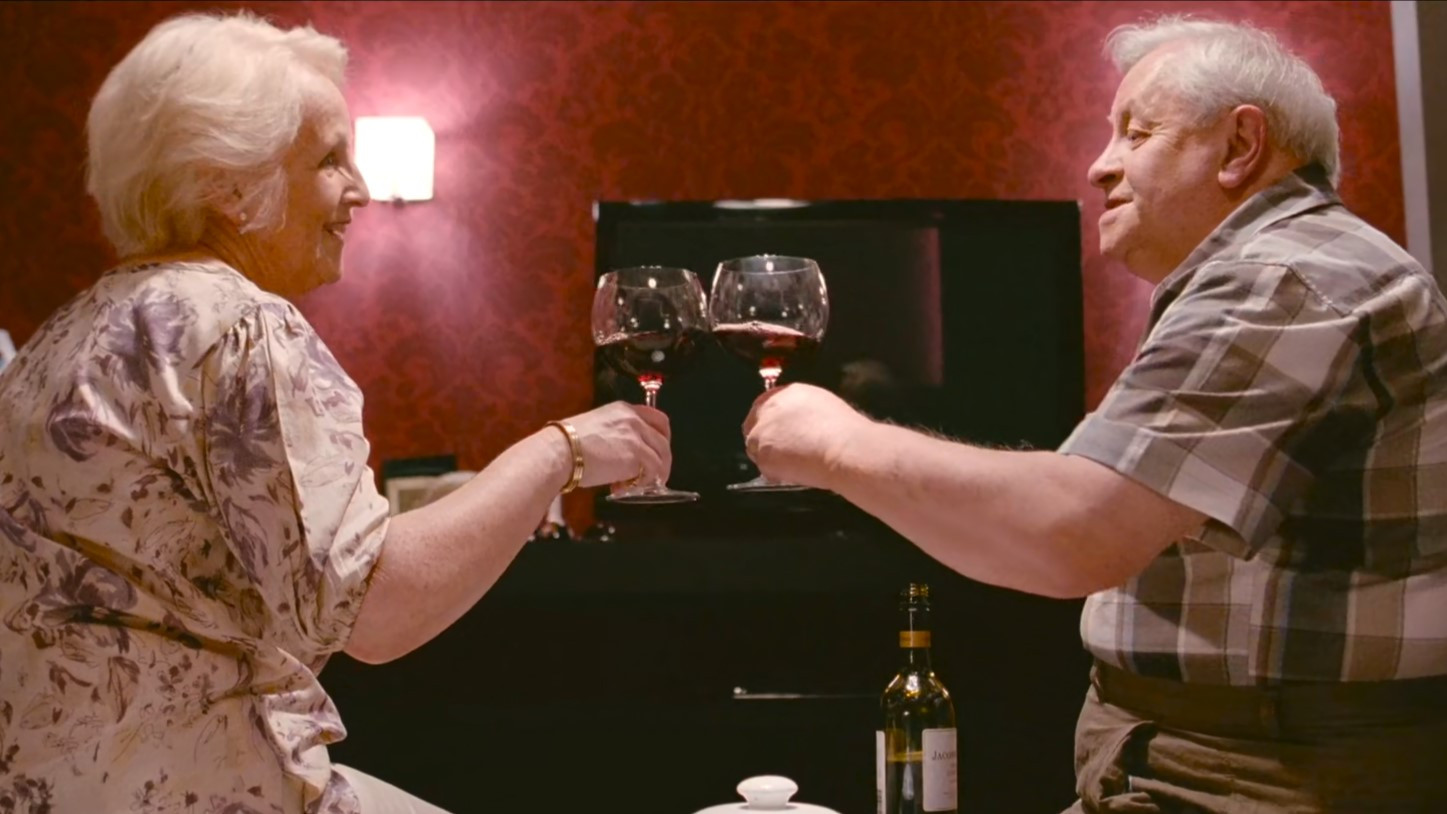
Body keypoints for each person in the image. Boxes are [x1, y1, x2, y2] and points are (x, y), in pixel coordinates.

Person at [744, 14, 1447, 813]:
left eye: (1136, 133)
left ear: (1240, 145)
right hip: (1220, 752)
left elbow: (1073, 533)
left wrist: (836, 443)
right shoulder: (1279, 269)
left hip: (1261, 770)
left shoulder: (1285, 277)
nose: (1099, 164)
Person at [0, 11, 670, 814]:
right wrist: (559, 451)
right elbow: (378, 610)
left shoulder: (60, 338)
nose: (358, 189)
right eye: (328, 160)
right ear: (227, 184)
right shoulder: (242, 328)